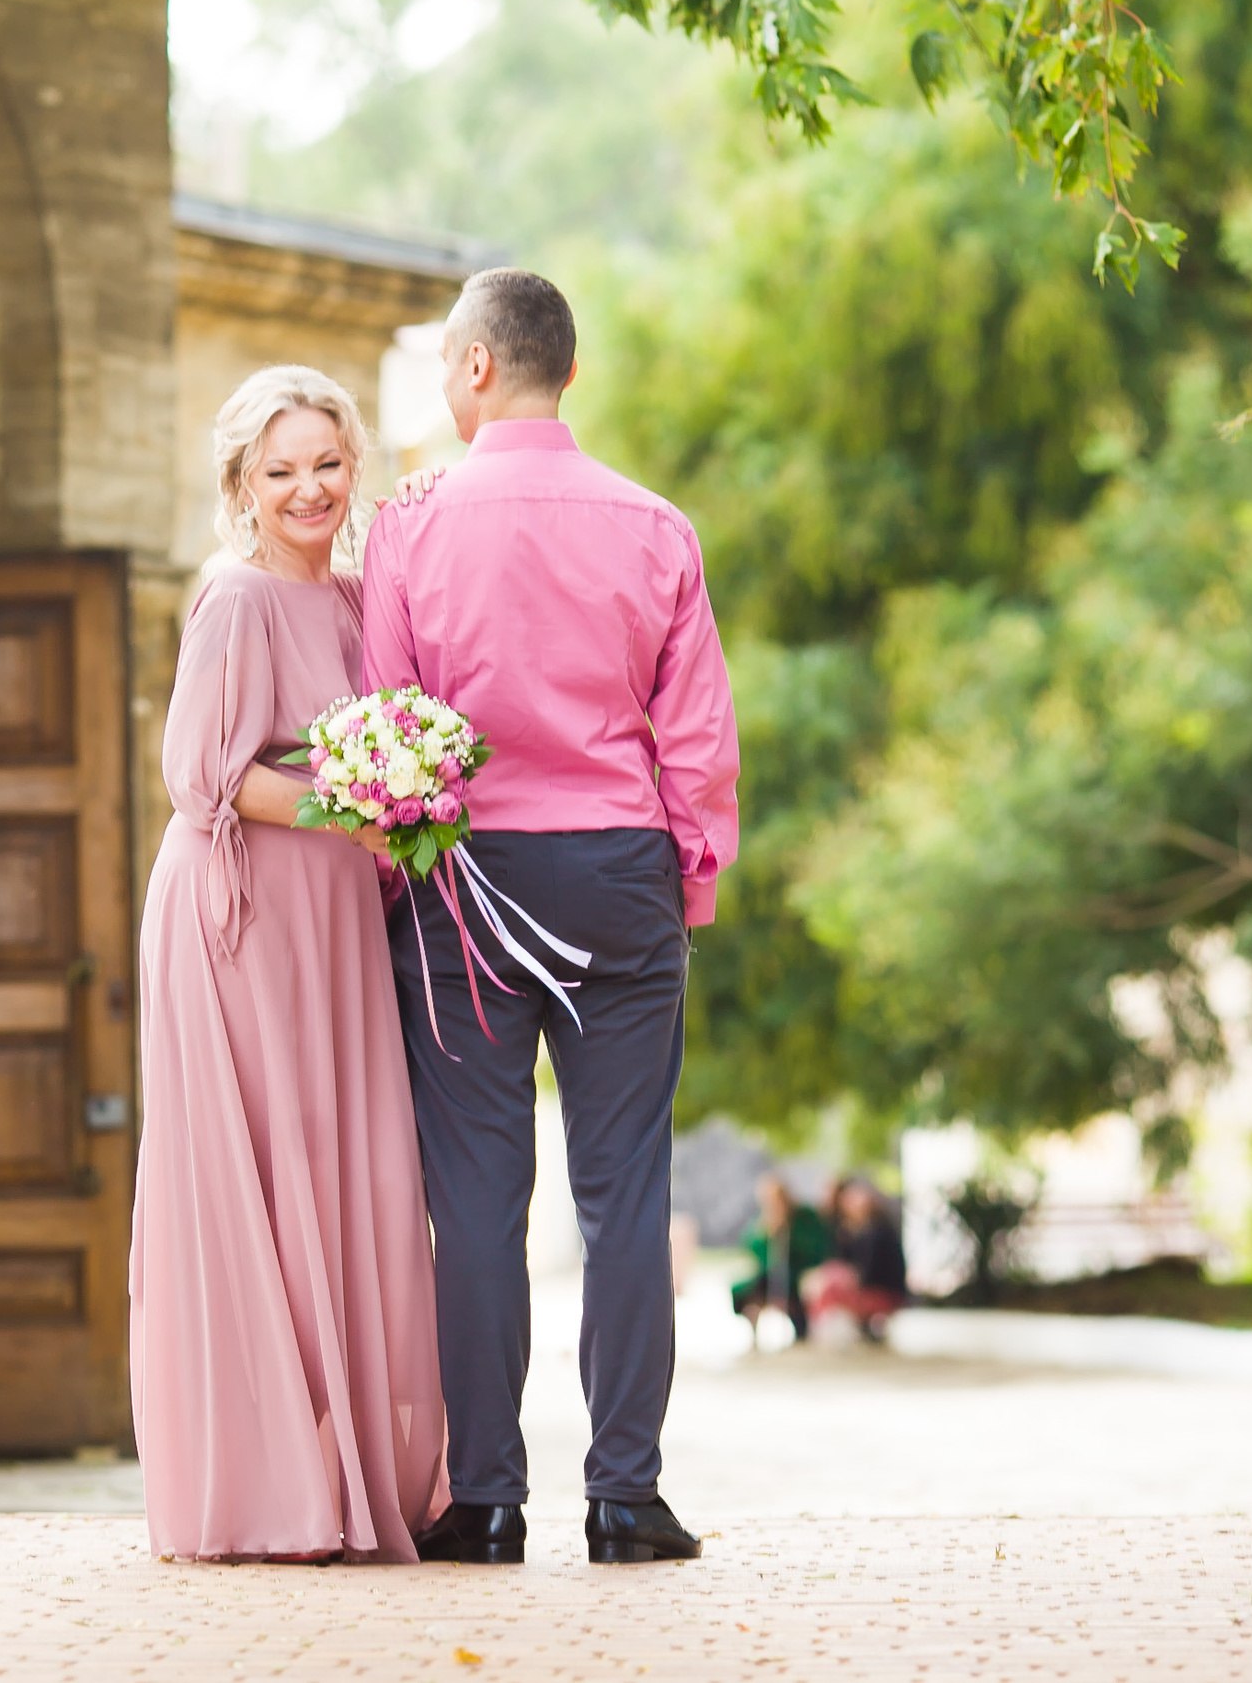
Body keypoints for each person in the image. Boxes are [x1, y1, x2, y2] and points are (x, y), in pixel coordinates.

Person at [364, 269, 740, 1566]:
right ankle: (626, 1496)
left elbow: (386, 721)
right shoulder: (656, 527)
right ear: (565, 373)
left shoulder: (409, 528)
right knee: (627, 1188)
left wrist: (398, 875)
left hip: (466, 878)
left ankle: (487, 1497)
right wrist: (690, 878)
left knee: (475, 1196)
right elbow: (696, 737)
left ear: (473, 369)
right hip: (620, 875)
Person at [129, 365, 447, 1564]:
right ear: (240, 488)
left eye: (325, 464)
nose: (306, 489)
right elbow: (201, 777)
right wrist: (350, 807)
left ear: (350, 468)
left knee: (348, 1171)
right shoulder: (235, 598)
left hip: (335, 922)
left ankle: (352, 1473)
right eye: (280, 472)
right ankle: (264, 1490)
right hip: (242, 921)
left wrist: (399, 798)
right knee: (267, 1174)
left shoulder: (365, 599)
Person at [804, 1177, 909, 1340]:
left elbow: (868, 1274)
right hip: (863, 1289)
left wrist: (844, 1279)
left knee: (830, 1293)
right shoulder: (845, 1233)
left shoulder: (879, 1233)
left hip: (883, 1292)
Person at [732, 1173, 829, 1343]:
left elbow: (814, 1247)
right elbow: (755, 1250)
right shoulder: (765, 1221)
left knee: (796, 1291)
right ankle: (754, 1330)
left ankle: (801, 1332)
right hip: (772, 1272)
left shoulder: (803, 1216)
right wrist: (767, 1233)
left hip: (798, 1271)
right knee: (749, 1288)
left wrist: (787, 1229)